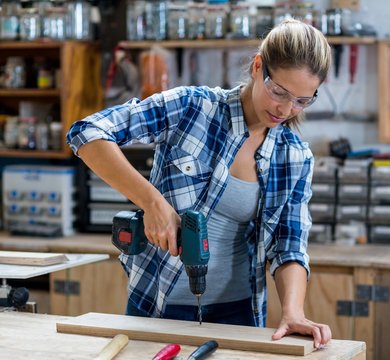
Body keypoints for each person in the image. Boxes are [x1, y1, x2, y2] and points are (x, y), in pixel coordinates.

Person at [67, 19, 332, 348]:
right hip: (156, 303)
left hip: (239, 315)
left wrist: (293, 311)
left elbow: (289, 245)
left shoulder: (294, 156)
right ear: (257, 66)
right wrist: (152, 202)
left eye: (302, 100)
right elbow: (87, 132)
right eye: (279, 91)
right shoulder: (192, 109)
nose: (286, 108)